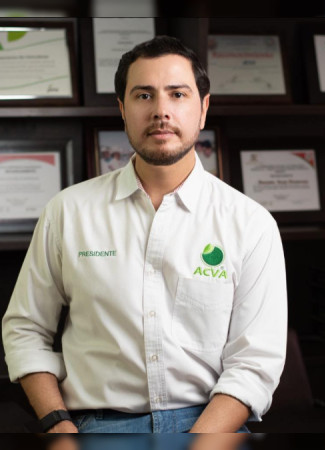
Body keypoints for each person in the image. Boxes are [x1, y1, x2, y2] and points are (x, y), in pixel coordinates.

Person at [1, 36, 286, 433]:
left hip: (213, 423)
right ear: (122, 109)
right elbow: (25, 328)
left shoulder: (251, 223)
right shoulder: (68, 211)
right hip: (95, 424)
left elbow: (256, 361)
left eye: (178, 94)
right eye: (143, 95)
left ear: (203, 108)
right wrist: (57, 425)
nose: (161, 111)